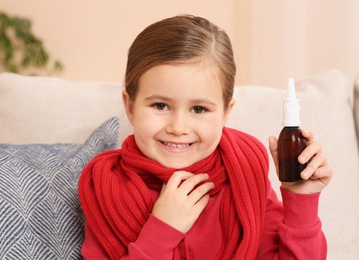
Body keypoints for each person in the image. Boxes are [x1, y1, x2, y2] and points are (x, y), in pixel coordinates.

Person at [78, 14, 332, 259]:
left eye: (199, 109)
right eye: (160, 106)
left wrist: (301, 198)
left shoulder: (245, 169)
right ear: (130, 106)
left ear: (225, 113)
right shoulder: (105, 187)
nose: (178, 127)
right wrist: (163, 230)